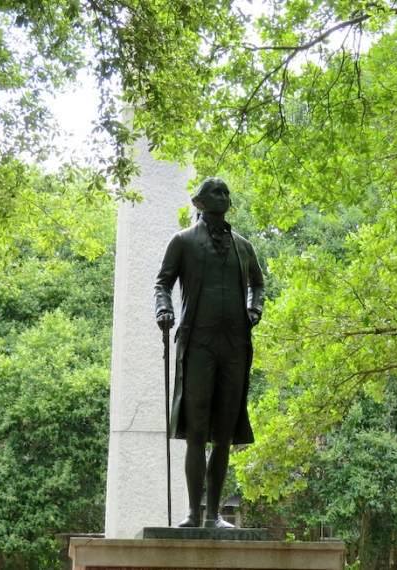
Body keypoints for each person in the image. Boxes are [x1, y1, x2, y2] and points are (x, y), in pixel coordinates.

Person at [154, 177, 264, 528]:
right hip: (199, 345)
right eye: (216, 192)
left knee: (224, 434)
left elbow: (257, 283)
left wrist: (254, 308)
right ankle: (191, 512)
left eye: (227, 192)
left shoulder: (243, 246)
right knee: (198, 430)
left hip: (234, 346)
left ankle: (214, 514)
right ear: (199, 201)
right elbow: (162, 282)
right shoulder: (183, 241)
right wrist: (163, 309)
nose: (224, 197)